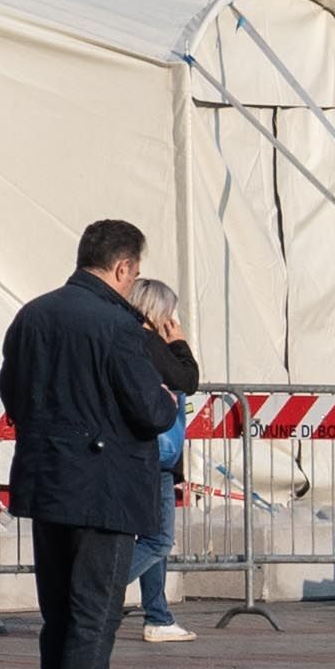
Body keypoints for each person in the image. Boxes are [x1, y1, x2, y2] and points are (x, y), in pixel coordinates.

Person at [0, 217, 182, 669]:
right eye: (134, 273)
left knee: (59, 613)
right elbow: (149, 409)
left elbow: (12, 391)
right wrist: (169, 404)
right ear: (123, 267)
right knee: (95, 612)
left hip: (47, 477)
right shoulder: (116, 323)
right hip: (103, 485)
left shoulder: (34, 313)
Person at [125, 275, 201, 647]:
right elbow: (187, 378)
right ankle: (91, 593)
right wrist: (180, 344)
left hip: (137, 452)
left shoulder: (124, 339)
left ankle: (158, 614)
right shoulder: (149, 342)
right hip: (156, 453)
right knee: (158, 540)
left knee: (146, 536)